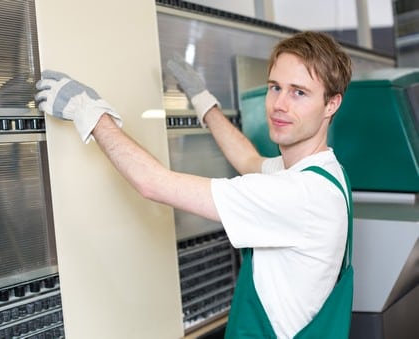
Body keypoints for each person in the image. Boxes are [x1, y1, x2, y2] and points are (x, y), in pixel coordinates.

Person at [35, 31, 354, 339]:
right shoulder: (322, 174)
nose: (279, 104)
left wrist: (90, 113)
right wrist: (204, 102)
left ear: (331, 104)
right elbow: (249, 162)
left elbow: (153, 184)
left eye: (299, 92)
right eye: (275, 87)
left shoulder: (300, 195)